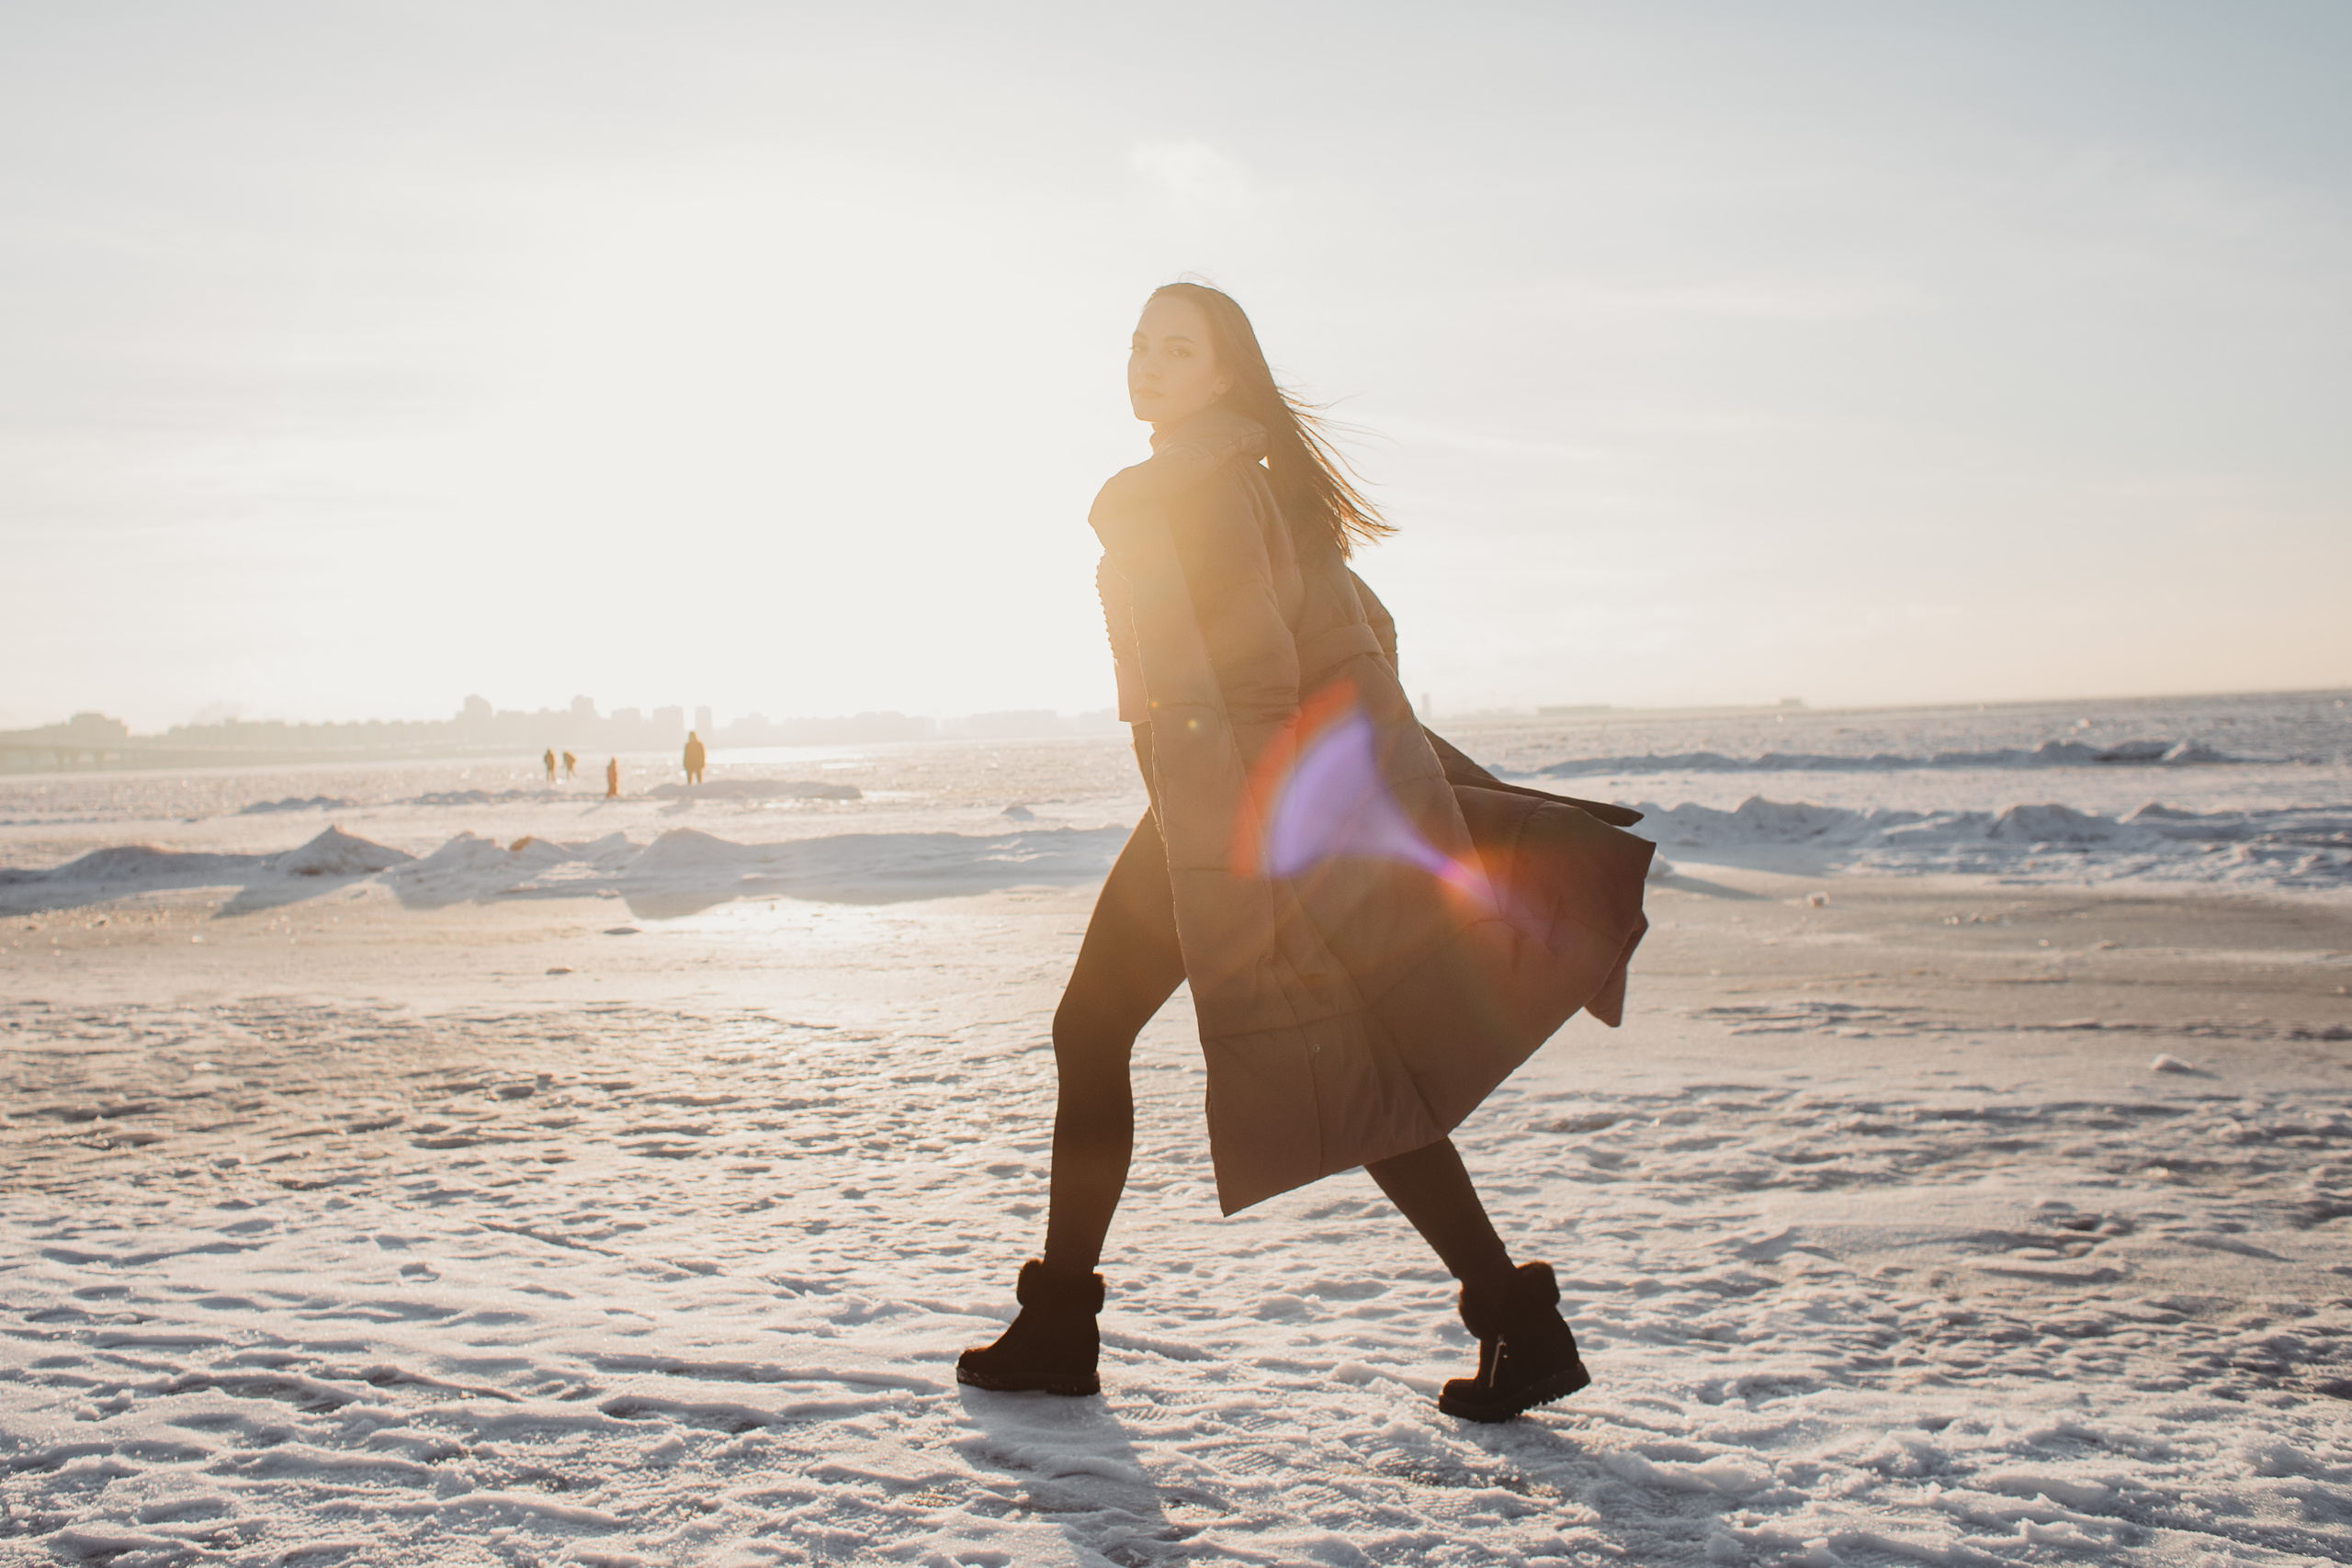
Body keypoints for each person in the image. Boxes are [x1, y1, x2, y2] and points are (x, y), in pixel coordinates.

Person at [957, 283, 1655, 1423]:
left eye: (1176, 350)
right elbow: (1365, 638)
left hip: (1226, 813)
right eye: (1139, 344)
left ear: (1225, 373)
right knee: (1334, 1055)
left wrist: (1246, 843)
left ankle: (1061, 1329)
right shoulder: (1250, 481)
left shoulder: (1188, 493)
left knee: (1127, 1035)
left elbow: (1246, 679)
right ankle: (1513, 1320)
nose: (1147, 364)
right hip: (1241, 804)